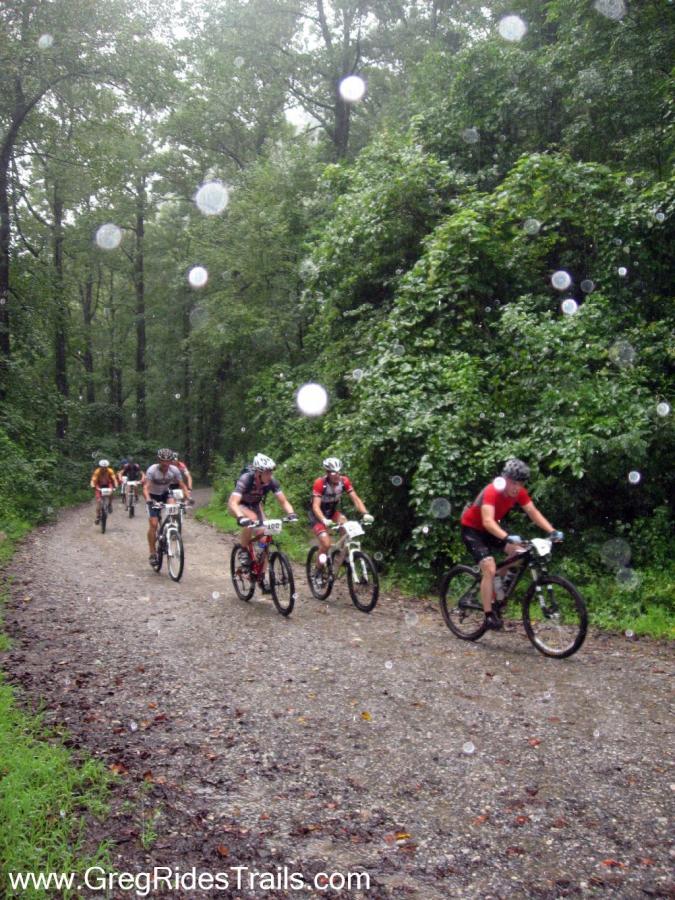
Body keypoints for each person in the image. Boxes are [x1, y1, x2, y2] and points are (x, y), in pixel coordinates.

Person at [460, 458, 563, 630]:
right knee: (489, 567)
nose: (517, 487)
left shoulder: (520, 492)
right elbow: (487, 521)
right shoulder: (492, 490)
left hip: (491, 528)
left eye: (521, 483)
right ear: (505, 479)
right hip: (473, 529)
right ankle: (489, 615)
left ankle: (498, 585)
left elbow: (532, 511)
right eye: (514, 483)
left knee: (521, 552)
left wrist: (551, 531)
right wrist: (507, 536)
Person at [227, 453, 298, 592]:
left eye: (271, 471)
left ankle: (261, 577)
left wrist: (291, 513)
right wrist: (241, 517)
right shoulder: (246, 479)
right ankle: (243, 551)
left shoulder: (271, 481)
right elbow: (234, 502)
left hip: (254, 505)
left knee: (265, 537)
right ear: (258, 472)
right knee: (251, 518)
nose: (269, 475)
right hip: (238, 505)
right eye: (266, 472)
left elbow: (283, 501)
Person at [309, 457, 373, 566]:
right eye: (334, 473)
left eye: (339, 472)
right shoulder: (320, 483)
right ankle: (318, 570)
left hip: (332, 512)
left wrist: (365, 513)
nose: (337, 475)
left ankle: (342, 556)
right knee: (326, 544)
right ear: (327, 473)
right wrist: (324, 520)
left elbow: (356, 499)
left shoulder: (344, 481)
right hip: (317, 516)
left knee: (347, 525)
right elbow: (315, 507)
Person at [143, 448, 191, 566]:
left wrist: (188, 498)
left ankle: (170, 532)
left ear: (171, 461)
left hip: (165, 494)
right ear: (158, 460)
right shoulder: (152, 470)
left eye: (168, 461)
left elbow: (182, 485)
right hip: (153, 496)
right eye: (162, 461)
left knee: (174, 510)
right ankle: (152, 552)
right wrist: (149, 500)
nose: (165, 464)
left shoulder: (174, 470)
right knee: (153, 524)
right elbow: (145, 488)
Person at [90, 459, 118, 525]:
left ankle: (110, 504)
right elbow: (93, 480)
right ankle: (97, 516)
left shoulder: (110, 471)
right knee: (99, 501)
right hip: (98, 484)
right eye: (102, 467)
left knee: (111, 491)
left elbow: (114, 479)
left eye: (105, 467)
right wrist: (93, 485)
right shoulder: (97, 471)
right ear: (100, 467)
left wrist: (116, 485)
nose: (104, 469)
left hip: (108, 484)